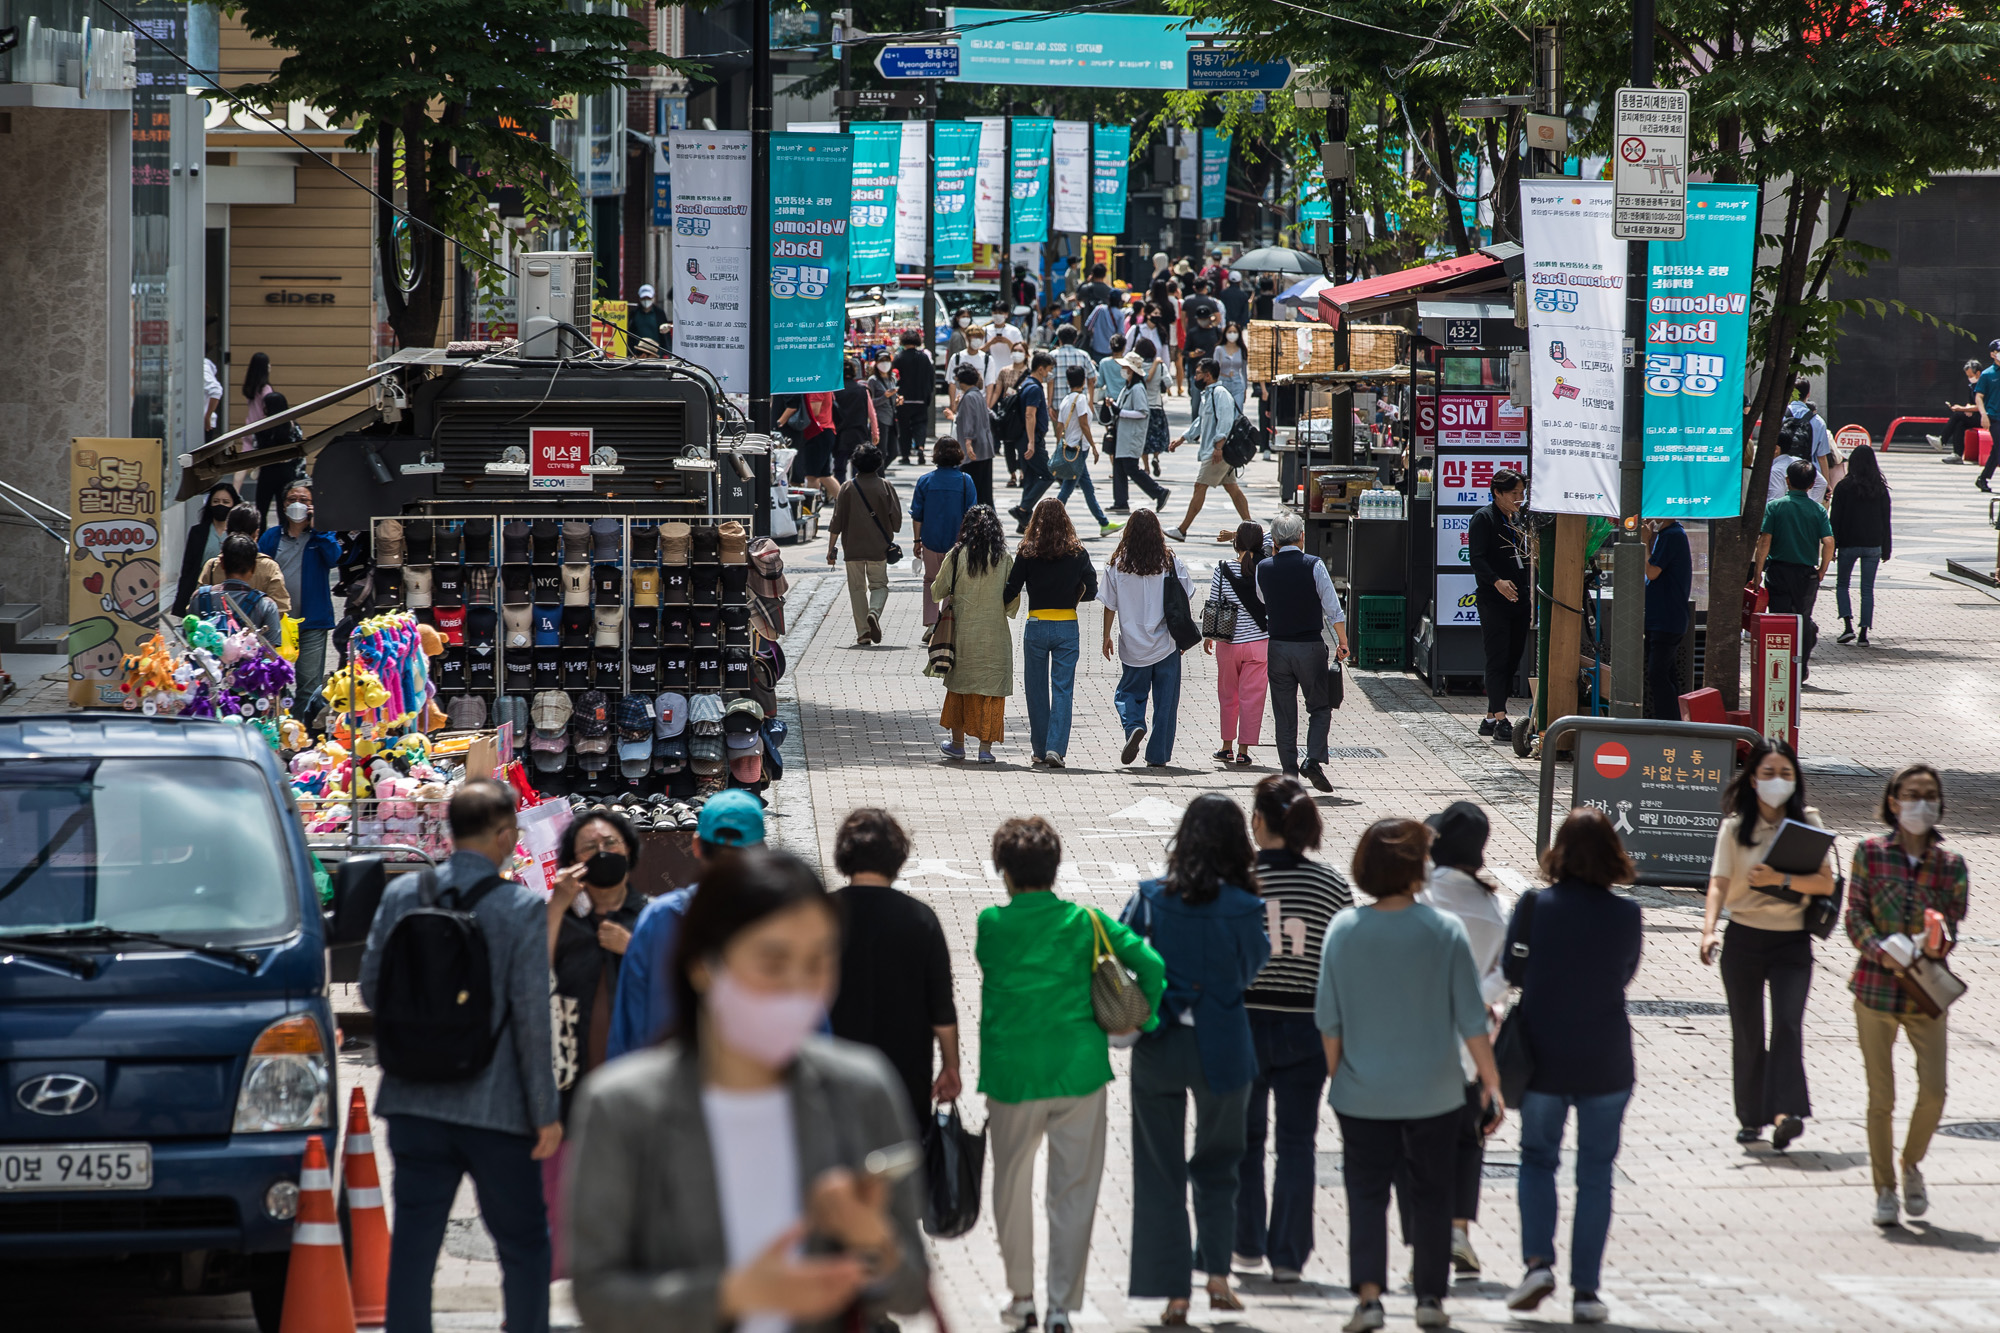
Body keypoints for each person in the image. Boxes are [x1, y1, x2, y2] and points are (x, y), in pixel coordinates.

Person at [567, 849, 931, 1333]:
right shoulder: (623, 1107)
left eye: (819, 961)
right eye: (773, 962)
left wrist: (872, 1237)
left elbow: (911, 1291)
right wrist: (734, 1294)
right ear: (704, 964)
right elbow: (596, 1297)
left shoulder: (861, 1090)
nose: (799, 987)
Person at [359, 780, 561, 1333]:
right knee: (523, 1244)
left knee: (415, 1246)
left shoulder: (405, 896)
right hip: (496, 1110)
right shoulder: (520, 909)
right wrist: (545, 1111)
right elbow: (530, 1017)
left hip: (412, 1102)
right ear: (504, 835)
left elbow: (373, 988)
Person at [981, 816, 1165, 1333]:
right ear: (1055, 868)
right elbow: (1149, 964)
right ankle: (1061, 1305)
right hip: (1080, 1072)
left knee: (1011, 1185)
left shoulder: (990, 926)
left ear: (1005, 873)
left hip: (1012, 1075)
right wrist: (1143, 1020)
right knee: (1074, 1190)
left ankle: (1021, 1298)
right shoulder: (1087, 922)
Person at [1317, 818, 1502, 1333]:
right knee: (1433, 1192)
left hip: (1361, 1091)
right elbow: (1471, 1019)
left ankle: (1370, 1298)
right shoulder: (1443, 930)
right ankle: (1429, 1298)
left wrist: (1340, 1076)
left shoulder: (1345, 930)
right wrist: (1490, 1083)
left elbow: (1328, 1020)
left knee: (1367, 1195)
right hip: (1436, 1090)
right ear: (1418, 868)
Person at [1121, 795, 1271, 1324]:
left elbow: (1124, 958)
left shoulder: (1150, 896)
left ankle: (1173, 1292)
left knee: (1159, 1170)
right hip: (1224, 1044)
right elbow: (1251, 968)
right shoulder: (1246, 906)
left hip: (1159, 1043)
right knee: (1220, 1163)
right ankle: (1217, 1276)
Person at [1503, 807, 1644, 1327]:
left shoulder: (1535, 906)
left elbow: (1512, 969)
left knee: (1538, 1159)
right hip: (1606, 1056)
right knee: (1595, 1172)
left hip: (1542, 1053)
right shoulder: (1627, 915)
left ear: (1558, 851)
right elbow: (1625, 974)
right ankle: (1587, 1289)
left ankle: (1538, 1263)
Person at [1234, 776, 1350, 1284]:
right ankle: (1288, 1255)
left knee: (1246, 1138)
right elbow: (1343, 960)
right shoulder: (1330, 884)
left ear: (1260, 821)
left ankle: (1244, 1244)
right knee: (1298, 1143)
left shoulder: (1237, 879)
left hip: (1245, 1021)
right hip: (1308, 1025)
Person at [1700, 737, 1838, 1149]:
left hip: (1793, 944)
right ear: (1752, 779)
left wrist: (1779, 880)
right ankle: (1750, 1117)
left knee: (1788, 1028)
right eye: (1768, 773)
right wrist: (1708, 930)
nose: (1778, 781)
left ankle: (1786, 1113)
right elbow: (1718, 882)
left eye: (1786, 773)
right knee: (1747, 1030)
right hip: (1743, 939)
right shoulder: (1734, 827)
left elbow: (1825, 882)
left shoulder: (1807, 821)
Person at [1845, 762, 1967, 1226]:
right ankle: (1884, 1189)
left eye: (1930, 794)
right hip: (1875, 990)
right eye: (1912, 795)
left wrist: (1937, 938)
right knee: (1882, 1096)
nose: (1922, 803)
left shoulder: (1951, 865)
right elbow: (1855, 917)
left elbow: (1953, 922)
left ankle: (1911, 1164)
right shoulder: (1869, 853)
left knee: (1934, 1091)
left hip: (1926, 991)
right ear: (1894, 803)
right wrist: (1881, 949)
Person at [1408, 802, 1510, 1280]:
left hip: (1419, 1039)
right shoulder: (1493, 907)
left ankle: (1424, 1244)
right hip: (1473, 1047)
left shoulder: (1422, 896)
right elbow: (1503, 976)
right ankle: (1459, 1232)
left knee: (1417, 1145)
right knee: (1467, 1141)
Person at [544, 808, 647, 1276]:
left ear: (629, 852)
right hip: (567, 1088)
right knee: (561, 1211)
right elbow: (529, 977)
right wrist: (557, 905)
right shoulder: (558, 917)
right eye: (590, 848)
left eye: (611, 846)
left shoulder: (650, 917)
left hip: (635, 1092)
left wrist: (633, 948)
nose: (602, 854)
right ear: (572, 861)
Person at [605, 790, 768, 1059]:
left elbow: (627, 1026)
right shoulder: (780, 922)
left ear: (696, 845)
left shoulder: (658, 917)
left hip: (664, 1090)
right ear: (762, 849)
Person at [827, 809, 962, 1126]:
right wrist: (951, 1065)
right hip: (903, 1073)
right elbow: (940, 1005)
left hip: (831, 1068)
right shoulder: (920, 919)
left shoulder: (821, 914)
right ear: (897, 858)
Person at [1256, 511, 1350, 790]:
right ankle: (1313, 759)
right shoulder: (1314, 564)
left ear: (1274, 539)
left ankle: (1289, 774)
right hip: (1309, 646)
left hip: (1278, 647)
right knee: (1319, 706)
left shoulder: (1264, 568)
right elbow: (1333, 608)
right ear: (1302, 537)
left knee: (1284, 714)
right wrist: (1342, 642)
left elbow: (1263, 599)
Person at [1005, 499, 1098, 767]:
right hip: (1067, 624)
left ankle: (1038, 749)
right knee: (1062, 689)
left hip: (1036, 624)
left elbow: (1011, 588)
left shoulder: (1027, 551)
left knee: (1035, 690)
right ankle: (1055, 749)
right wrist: (1073, 595)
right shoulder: (1078, 552)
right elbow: (1092, 590)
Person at [1101, 509, 1194, 768]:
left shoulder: (1117, 563)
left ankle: (1133, 725)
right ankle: (1158, 755)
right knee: (1166, 702)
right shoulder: (1169, 561)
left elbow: (1109, 604)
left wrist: (1106, 635)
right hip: (1166, 643)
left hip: (1133, 644)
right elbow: (1186, 596)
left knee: (1129, 692)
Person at [931, 505, 1018, 763]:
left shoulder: (957, 555)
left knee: (959, 688)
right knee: (991, 691)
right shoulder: (1004, 558)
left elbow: (937, 590)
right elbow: (1011, 605)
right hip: (995, 636)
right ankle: (985, 750)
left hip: (962, 635)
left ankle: (958, 745)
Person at [258, 480, 343, 722]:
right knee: (275, 679)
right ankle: (278, 727)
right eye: (291, 499)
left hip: (313, 622)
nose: (297, 504)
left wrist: (319, 528)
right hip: (277, 623)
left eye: (304, 500)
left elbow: (334, 558)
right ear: (283, 506)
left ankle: (300, 733)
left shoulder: (322, 536)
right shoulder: (271, 537)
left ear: (314, 506)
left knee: (309, 682)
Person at [1755, 459, 1835, 680]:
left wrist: (1757, 573)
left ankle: (1780, 669)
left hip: (1778, 572)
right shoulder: (1817, 510)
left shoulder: (1775, 507)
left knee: (1780, 620)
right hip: (1806, 575)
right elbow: (1829, 542)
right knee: (1802, 619)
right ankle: (1800, 666)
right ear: (1811, 485)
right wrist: (1822, 570)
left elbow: (1764, 542)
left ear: (1787, 481)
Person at [1467, 468, 1531, 741]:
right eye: (1514, 493)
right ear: (1497, 493)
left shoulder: (1518, 520)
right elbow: (1477, 559)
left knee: (1513, 657)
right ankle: (1502, 718)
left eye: (1522, 493)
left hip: (1519, 597)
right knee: (1497, 655)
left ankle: (1490, 717)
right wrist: (1497, 582)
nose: (1519, 498)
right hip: (1494, 598)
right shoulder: (1484, 518)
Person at [1205, 521, 1270, 765]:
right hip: (1260, 643)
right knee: (1252, 698)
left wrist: (1210, 637)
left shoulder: (1222, 569)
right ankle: (1244, 751)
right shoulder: (1266, 568)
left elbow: (1214, 601)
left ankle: (1226, 747)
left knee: (1228, 695)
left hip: (1229, 642)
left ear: (1236, 543)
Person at [825, 445, 903, 647]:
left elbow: (836, 521)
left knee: (857, 590)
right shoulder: (885, 486)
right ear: (879, 463)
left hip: (853, 549)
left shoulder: (847, 488)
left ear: (855, 463)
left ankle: (863, 633)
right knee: (879, 586)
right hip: (878, 548)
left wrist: (831, 549)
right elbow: (897, 522)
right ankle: (874, 612)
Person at [1168, 357, 1252, 541]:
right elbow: (1201, 422)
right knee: (1232, 489)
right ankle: (1251, 527)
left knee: (1200, 486)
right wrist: (1182, 439)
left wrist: (1219, 447)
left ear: (1207, 375)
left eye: (1198, 373)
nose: (1195, 377)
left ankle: (1182, 530)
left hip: (1217, 452)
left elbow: (1226, 420)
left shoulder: (1219, 393)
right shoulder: (1209, 394)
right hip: (1216, 450)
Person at [1830, 443, 1892, 646]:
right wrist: (1886, 547)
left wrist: (1831, 546)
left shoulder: (1844, 487)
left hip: (1848, 543)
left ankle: (1847, 625)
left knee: (1842, 584)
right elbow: (1886, 520)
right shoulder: (1880, 489)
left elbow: (1835, 519)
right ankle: (1864, 632)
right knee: (1867, 589)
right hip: (1873, 543)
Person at [911, 438, 978, 626]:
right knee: (953, 584)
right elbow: (972, 514)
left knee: (930, 580)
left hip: (930, 540)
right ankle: (946, 625)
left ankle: (931, 624)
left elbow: (917, 515)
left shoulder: (925, 481)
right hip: (957, 542)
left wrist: (917, 541)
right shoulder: (966, 481)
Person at [1049, 365, 1118, 537]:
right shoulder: (1080, 400)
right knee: (1067, 488)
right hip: (1079, 450)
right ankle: (1047, 522)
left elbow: (1059, 426)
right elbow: (1084, 424)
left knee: (1087, 488)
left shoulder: (1066, 400)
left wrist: (1061, 445)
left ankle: (1104, 523)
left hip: (1071, 449)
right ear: (1084, 381)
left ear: (1067, 381)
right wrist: (1094, 446)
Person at [191, 535, 285, 647]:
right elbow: (270, 656)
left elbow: (190, 642)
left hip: (204, 664)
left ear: (222, 563)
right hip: (251, 664)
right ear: (254, 567)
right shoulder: (267, 606)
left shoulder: (199, 598)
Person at [200, 502, 292, 613]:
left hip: (216, 629)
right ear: (256, 533)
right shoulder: (268, 566)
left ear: (227, 530)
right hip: (258, 629)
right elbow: (281, 608)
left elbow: (199, 604)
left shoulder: (212, 565)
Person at [1643, 515, 1693, 720]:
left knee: (1658, 674)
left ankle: (1668, 723)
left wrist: (1645, 541)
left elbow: (1652, 572)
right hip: (1664, 618)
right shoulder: (1669, 534)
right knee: (1666, 673)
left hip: (1667, 619)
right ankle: (1674, 720)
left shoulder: (1672, 535)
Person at [1111, 350, 1171, 514]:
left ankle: (1159, 492)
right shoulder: (1128, 388)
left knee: (1130, 467)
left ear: (1132, 371)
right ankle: (1121, 501)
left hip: (1132, 436)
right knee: (1119, 466)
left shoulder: (1137, 389)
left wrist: (1120, 412)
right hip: (1124, 434)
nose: (1123, 370)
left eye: (1126, 367)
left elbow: (1143, 412)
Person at [173, 481, 242, 617]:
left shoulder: (240, 534)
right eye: (215, 501)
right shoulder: (197, 532)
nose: (220, 505)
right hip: (202, 595)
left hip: (232, 597)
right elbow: (187, 569)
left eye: (225, 501)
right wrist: (182, 602)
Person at [1011, 351, 1059, 531]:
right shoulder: (1033, 388)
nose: (1050, 374)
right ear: (1041, 369)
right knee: (1048, 474)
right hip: (1031, 439)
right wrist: (1031, 442)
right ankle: (1022, 510)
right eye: (1049, 370)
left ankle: (1023, 523)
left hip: (1026, 438)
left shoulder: (1027, 384)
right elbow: (1029, 415)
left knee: (1030, 478)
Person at [951, 365, 999, 510]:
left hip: (974, 451)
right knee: (984, 492)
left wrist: (968, 442)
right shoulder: (977, 394)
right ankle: (990, 523)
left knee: (973, 491)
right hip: (984, 448)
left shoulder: (969, 397)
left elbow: (969, 421)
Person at [779, 391, 839, 504]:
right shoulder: (821, 383)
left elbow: (815, 410)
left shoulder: (816, 386)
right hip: (823, 431)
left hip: (818, 432)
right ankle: (847, 503)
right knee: (824, 475)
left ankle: (810, 509)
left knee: (812, 475)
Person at [831, 359, 880, 483]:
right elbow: (872, 414)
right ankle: (857, 492)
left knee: (839, 468)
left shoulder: (834, 390)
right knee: (858, 467)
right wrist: (875, 433)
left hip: (840, 434)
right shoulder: (862, 390)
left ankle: (841, 494)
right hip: (859, 433)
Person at [892, 330, 933, 466]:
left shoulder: (898, 358)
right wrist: (928, 395)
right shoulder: (924, 358)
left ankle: (905, 455)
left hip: (903, 399)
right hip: (920, 398)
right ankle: (920, 448)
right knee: (920, 424)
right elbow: (930, 378)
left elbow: (894, 379)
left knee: (904, 428)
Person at [1928, 359, 1981, 462]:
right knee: (1960, 424)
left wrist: (1962, 409)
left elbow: (1982, 406)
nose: (1970, 379)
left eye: (1971, 376)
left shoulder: (1985, 384)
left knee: (1958, 415)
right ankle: (1957, 454)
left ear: (1978, 373)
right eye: (1968, 376)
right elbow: (1972, 403)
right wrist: (1968, 408)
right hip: (1977, 415)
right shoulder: (1972, 386)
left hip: (1987, 417)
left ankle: (1942, 440)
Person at [1136, 338, 1172, 474]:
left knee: (1143, 438)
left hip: (1142, 407)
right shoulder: (1161, 366)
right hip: (1156, 406)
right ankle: (1156, 457)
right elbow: (1168, 383)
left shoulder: (1137, 367)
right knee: (1157, 436)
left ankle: (1145, 467)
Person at [865, 352, 902, 467]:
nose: (885, 364)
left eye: (887, 360)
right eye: (881, 361)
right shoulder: (873, 380)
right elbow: (870, 403)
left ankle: (877, 473)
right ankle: (878, 476)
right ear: (876, 363)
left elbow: (892, 398)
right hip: (880, 419)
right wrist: (884, 397)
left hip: (892, 418)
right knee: (881, 452)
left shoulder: (892, 379)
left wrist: (897, 400)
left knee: (894, 452)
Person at [1973, 340, 2000, 489]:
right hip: (1994, 417)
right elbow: (1979, 396)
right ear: (1992, 354)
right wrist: (1983, 414)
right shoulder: (1987, 374)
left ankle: (1982, 478)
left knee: (1997, 449)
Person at [1216, 321, 1249, 412]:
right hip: (1222, 383)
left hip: (1237, 383)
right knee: (1223, 412)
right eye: (1230, 332)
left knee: (1237, 413)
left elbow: (1244, 371)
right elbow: (1215, 368)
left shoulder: (1242, 350)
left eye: (1235, 332)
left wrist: (1245, 388)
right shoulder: (1219, 349)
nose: (1232, 334)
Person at [628, 283, 667, 350]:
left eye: (648, 298)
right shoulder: (634, 313)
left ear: (653, 298)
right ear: (639, 298)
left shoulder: (659, 313)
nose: (646, 300)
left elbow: (665, 335)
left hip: (656, 353)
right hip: (637, 353)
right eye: (643, 298)